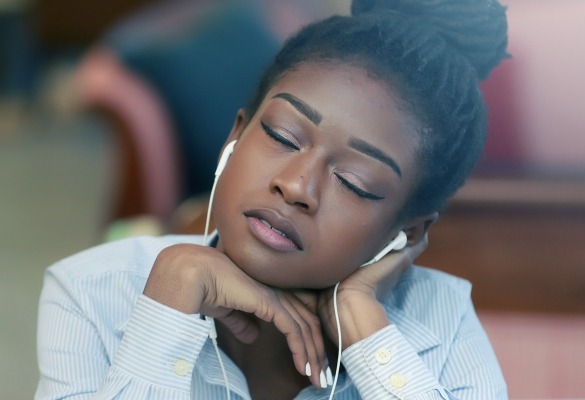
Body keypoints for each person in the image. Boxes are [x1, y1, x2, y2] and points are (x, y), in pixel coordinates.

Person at [35, 0, 509, 399]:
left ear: (406, 233)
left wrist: (366, 332)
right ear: (235, 137)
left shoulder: (441, 322)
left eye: (355, 182)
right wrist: (169, 303)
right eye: (283, 136)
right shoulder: (92, 293)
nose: (297, 187)